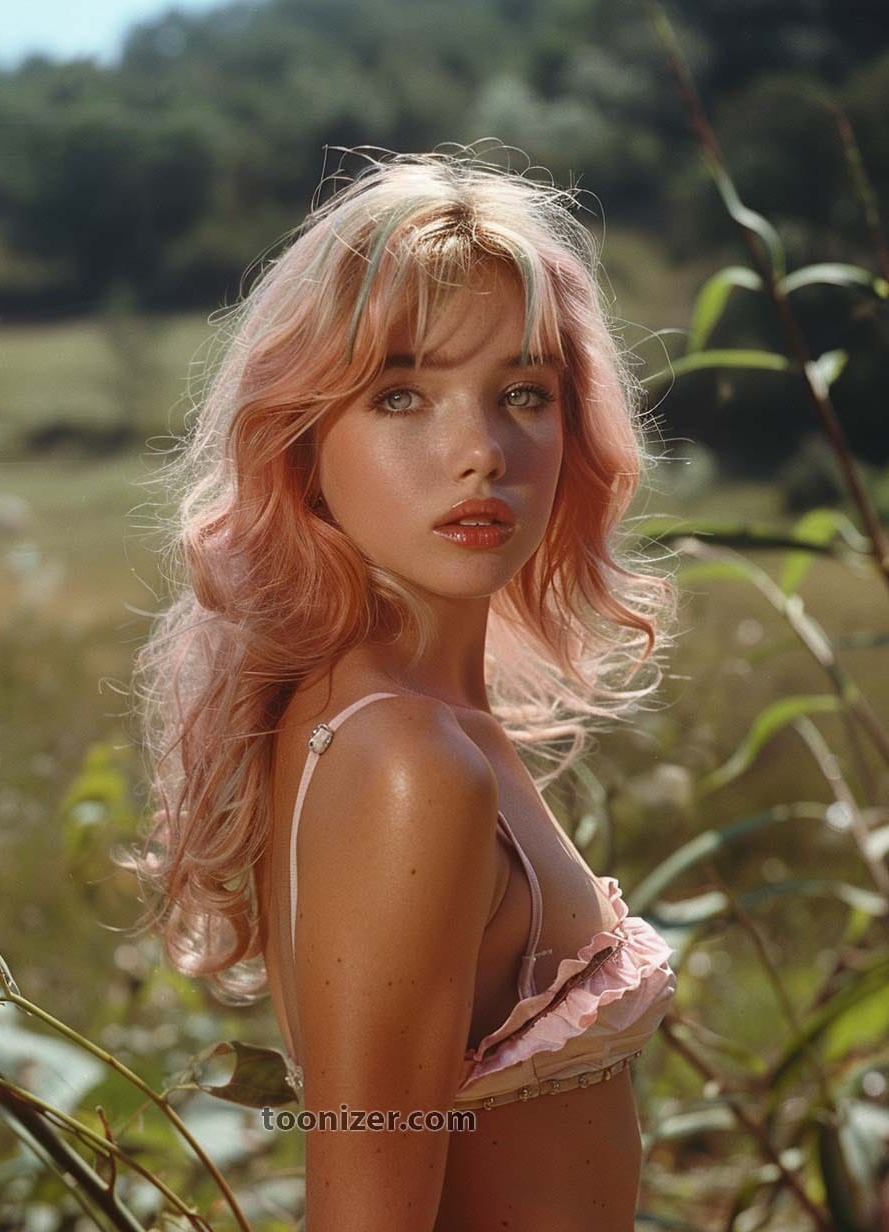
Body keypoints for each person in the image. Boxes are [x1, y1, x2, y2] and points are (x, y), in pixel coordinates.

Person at [125, 145, 680, 1230]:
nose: (480, 452)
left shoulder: (403, 720)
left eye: (523, 393)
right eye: (400, 395)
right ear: (300, 441)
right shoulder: (405, 761)